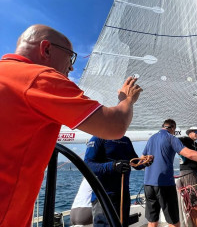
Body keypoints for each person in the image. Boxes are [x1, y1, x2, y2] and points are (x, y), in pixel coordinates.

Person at [0, 24, 142, 227]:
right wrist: (127, 99)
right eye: (70, 56)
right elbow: (115, 126)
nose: (72, 67)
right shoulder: (39, 77)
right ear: (46, 49)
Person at [142, 119, 197, 227]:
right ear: (173, 128)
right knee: (174, 222)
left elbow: (142, 160)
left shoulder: (151, 139)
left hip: (148, 184)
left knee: (152, 221)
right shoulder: (171, 138)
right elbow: (189, 154)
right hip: (165, 184)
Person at [84, 135, 153, 227]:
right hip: (104, 196)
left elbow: (135, 163)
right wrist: (113, 166)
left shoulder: (126, 140)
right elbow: (88, 165)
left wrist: (145, 162)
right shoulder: (98, 138)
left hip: (123, 195)